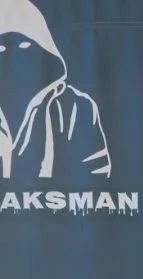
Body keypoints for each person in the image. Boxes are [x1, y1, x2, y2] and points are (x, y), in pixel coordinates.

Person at [0, 0, 109, 182]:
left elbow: (95, 176)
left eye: (25, 45)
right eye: (1, 48)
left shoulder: (76, 106)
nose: (14, 55)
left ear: (43, 48)